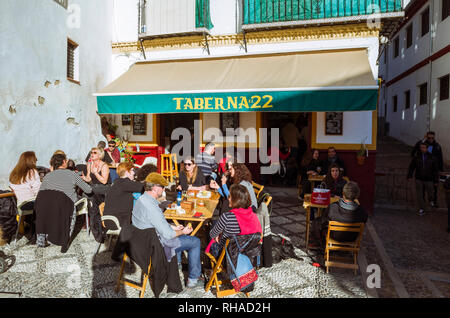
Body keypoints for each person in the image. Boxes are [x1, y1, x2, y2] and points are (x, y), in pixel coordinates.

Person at [131, 173, 202, 288]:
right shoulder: (152, 207)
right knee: (195, 241)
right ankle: (193, 280)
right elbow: (169, 235)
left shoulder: (141, 200)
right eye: (162, 187)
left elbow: (153, 222)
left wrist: (173, 227)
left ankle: (177, 264)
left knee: (175, 228)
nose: (163, 190)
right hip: (155, 247)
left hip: (140, 242)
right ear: (155, 188)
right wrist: (182, 232)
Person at [38, 153, 92, 247]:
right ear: (63, 162)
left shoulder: (47, 176)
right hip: (68, 206)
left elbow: (42, 193)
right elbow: (88, 189)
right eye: (66, 159)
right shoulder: (72, 174)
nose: (67, 161)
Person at [209, 184, 262, 255]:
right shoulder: (254, 216)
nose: (228, 198)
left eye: (230, 196)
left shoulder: (226, 217)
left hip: (228, 256)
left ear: (236, 200)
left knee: (212, 237)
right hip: (248, 253)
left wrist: (218, 237)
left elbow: (212, 234)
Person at [318, 181, 368, 245]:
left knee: (317, 222)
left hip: (334, 236)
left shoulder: (333, 207)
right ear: (357, 195)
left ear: (343, 193)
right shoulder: (362, 211)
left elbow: (323, 222)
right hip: (351, 238)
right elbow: (364, 222)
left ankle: (319, 244)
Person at [103, 162, 144, 229]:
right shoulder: (125, 183)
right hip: (118, 221)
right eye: (132, 170)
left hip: (110, 220)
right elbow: (142, 187)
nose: (134, 173)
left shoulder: (117, 182)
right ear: (127, 172)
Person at [411, 132, 444, 207]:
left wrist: (441, 170)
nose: (431, 139)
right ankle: (422, 203)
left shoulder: (437, 146)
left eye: (432, 138)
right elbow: (413, 152)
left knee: (434, 188)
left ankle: (433, 201)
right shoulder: (422, 144)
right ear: (426, 137)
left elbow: (440, 158)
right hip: (422, 170)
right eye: (429, 138)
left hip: (433, 171)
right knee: (422, 188)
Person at [407, 142, 439, 216]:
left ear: (427, 148)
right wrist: (409, 176)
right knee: (419, 194)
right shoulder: (417, 157)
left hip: (429, 179)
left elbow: (435, 170)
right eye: (421, 147)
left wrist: (436, 180)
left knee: (431, 193)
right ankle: (422, 208)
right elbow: (412, 167)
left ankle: (431, 200)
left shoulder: (432, 157)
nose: (422, 149)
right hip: (419, 178)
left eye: (424, 147)